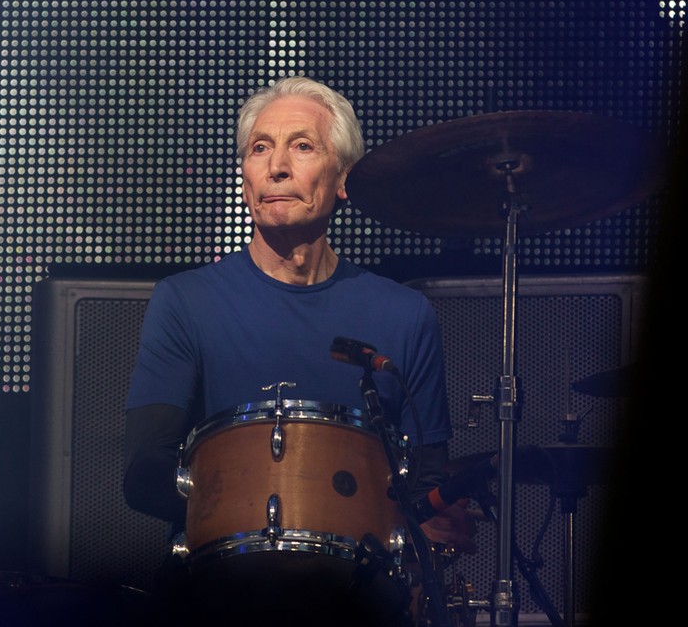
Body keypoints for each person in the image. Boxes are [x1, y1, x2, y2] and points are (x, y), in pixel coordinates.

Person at [122, 76, 479, 626]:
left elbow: (426, 481)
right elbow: (144, 472)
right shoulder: (184, 301)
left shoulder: (405, 315)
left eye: (302, 146)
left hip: (359, 601)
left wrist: (436, 515)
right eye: (260, 148)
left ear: (342, 180)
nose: (277, 166)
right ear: (244, 179)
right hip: (221, 596)